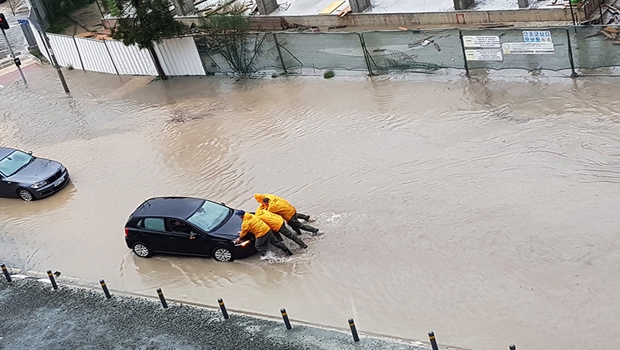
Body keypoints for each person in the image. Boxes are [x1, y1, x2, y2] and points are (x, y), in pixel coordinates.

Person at [254, 193, 320, 236]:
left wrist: (261, 210)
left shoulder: (271, 207)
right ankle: (304, 222)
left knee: (298, 225)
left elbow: (268, 212)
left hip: (289, 215)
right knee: (293, 219)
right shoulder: (269, 196)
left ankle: (314, 230)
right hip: (290, 208)